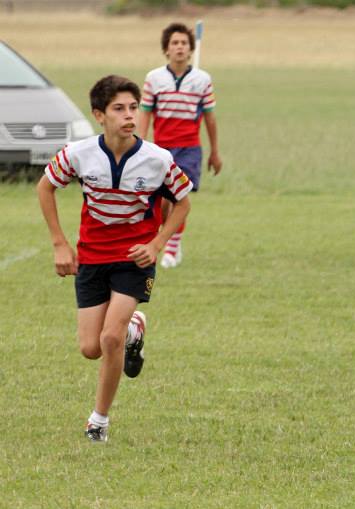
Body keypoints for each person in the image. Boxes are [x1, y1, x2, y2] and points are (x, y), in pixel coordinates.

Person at [37, 75, 193, 442]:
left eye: (133, 108)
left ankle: (98, 422)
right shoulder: (78, 154)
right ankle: (135, 327)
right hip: (92, 257)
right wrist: (60, 243)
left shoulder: (157, 159)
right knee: (90, 348)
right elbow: (45, 187)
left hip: (134, 259)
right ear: (99, 115)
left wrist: (156, 244)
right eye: (119, 109)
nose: (129, 115)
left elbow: (183, 203)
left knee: (110, 338)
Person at [137, 22, 221, 269]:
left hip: (189, 148)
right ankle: (169, 237)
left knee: (178, 197)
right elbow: (145, 112)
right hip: (162, 148)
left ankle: (172, 248)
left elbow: (210, 118)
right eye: (175, 43)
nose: (180, 47)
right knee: (161, 202)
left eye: (184, 43)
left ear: (191, 49)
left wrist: (215, 152)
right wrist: (140, 144)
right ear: (167, 49)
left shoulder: (202, 80)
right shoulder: (154, 78)